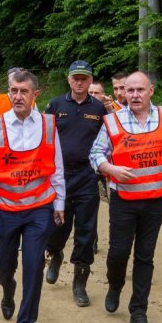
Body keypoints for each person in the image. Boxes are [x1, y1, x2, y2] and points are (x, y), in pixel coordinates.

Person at [89, 71, 162, 323]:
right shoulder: (112, 121)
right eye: (130, 90)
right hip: (124, 199)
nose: (134, 95)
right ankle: (114, 285)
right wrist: (110, 169)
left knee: (145, 256)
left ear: (151, 91)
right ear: (124, 93)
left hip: (156, 199)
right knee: (118, 252)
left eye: (140, 90)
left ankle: (139, 311)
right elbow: (95, 153)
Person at [0, 70, 65, 323]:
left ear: (35, 95)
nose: (17, 96)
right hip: (5, 209)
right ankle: (8, 289)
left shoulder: (49, 125)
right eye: (13, 91)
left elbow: (57, 167)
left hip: (39, 209)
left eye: (23, 91)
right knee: (4, 264)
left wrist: (59, 203)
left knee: (34, 265)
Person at [44, 60, 107, 307]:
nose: (80, 82)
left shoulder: (100, 109)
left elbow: (110, 140)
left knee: (86, 231)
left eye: (84, 78)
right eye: (75, 78)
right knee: (58, 225)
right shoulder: (55, 105)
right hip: (60, 177)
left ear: (91, 81)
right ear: (68, 79)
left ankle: (80, 282)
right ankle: (55, 253)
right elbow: (44, 138)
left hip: (87, 176)